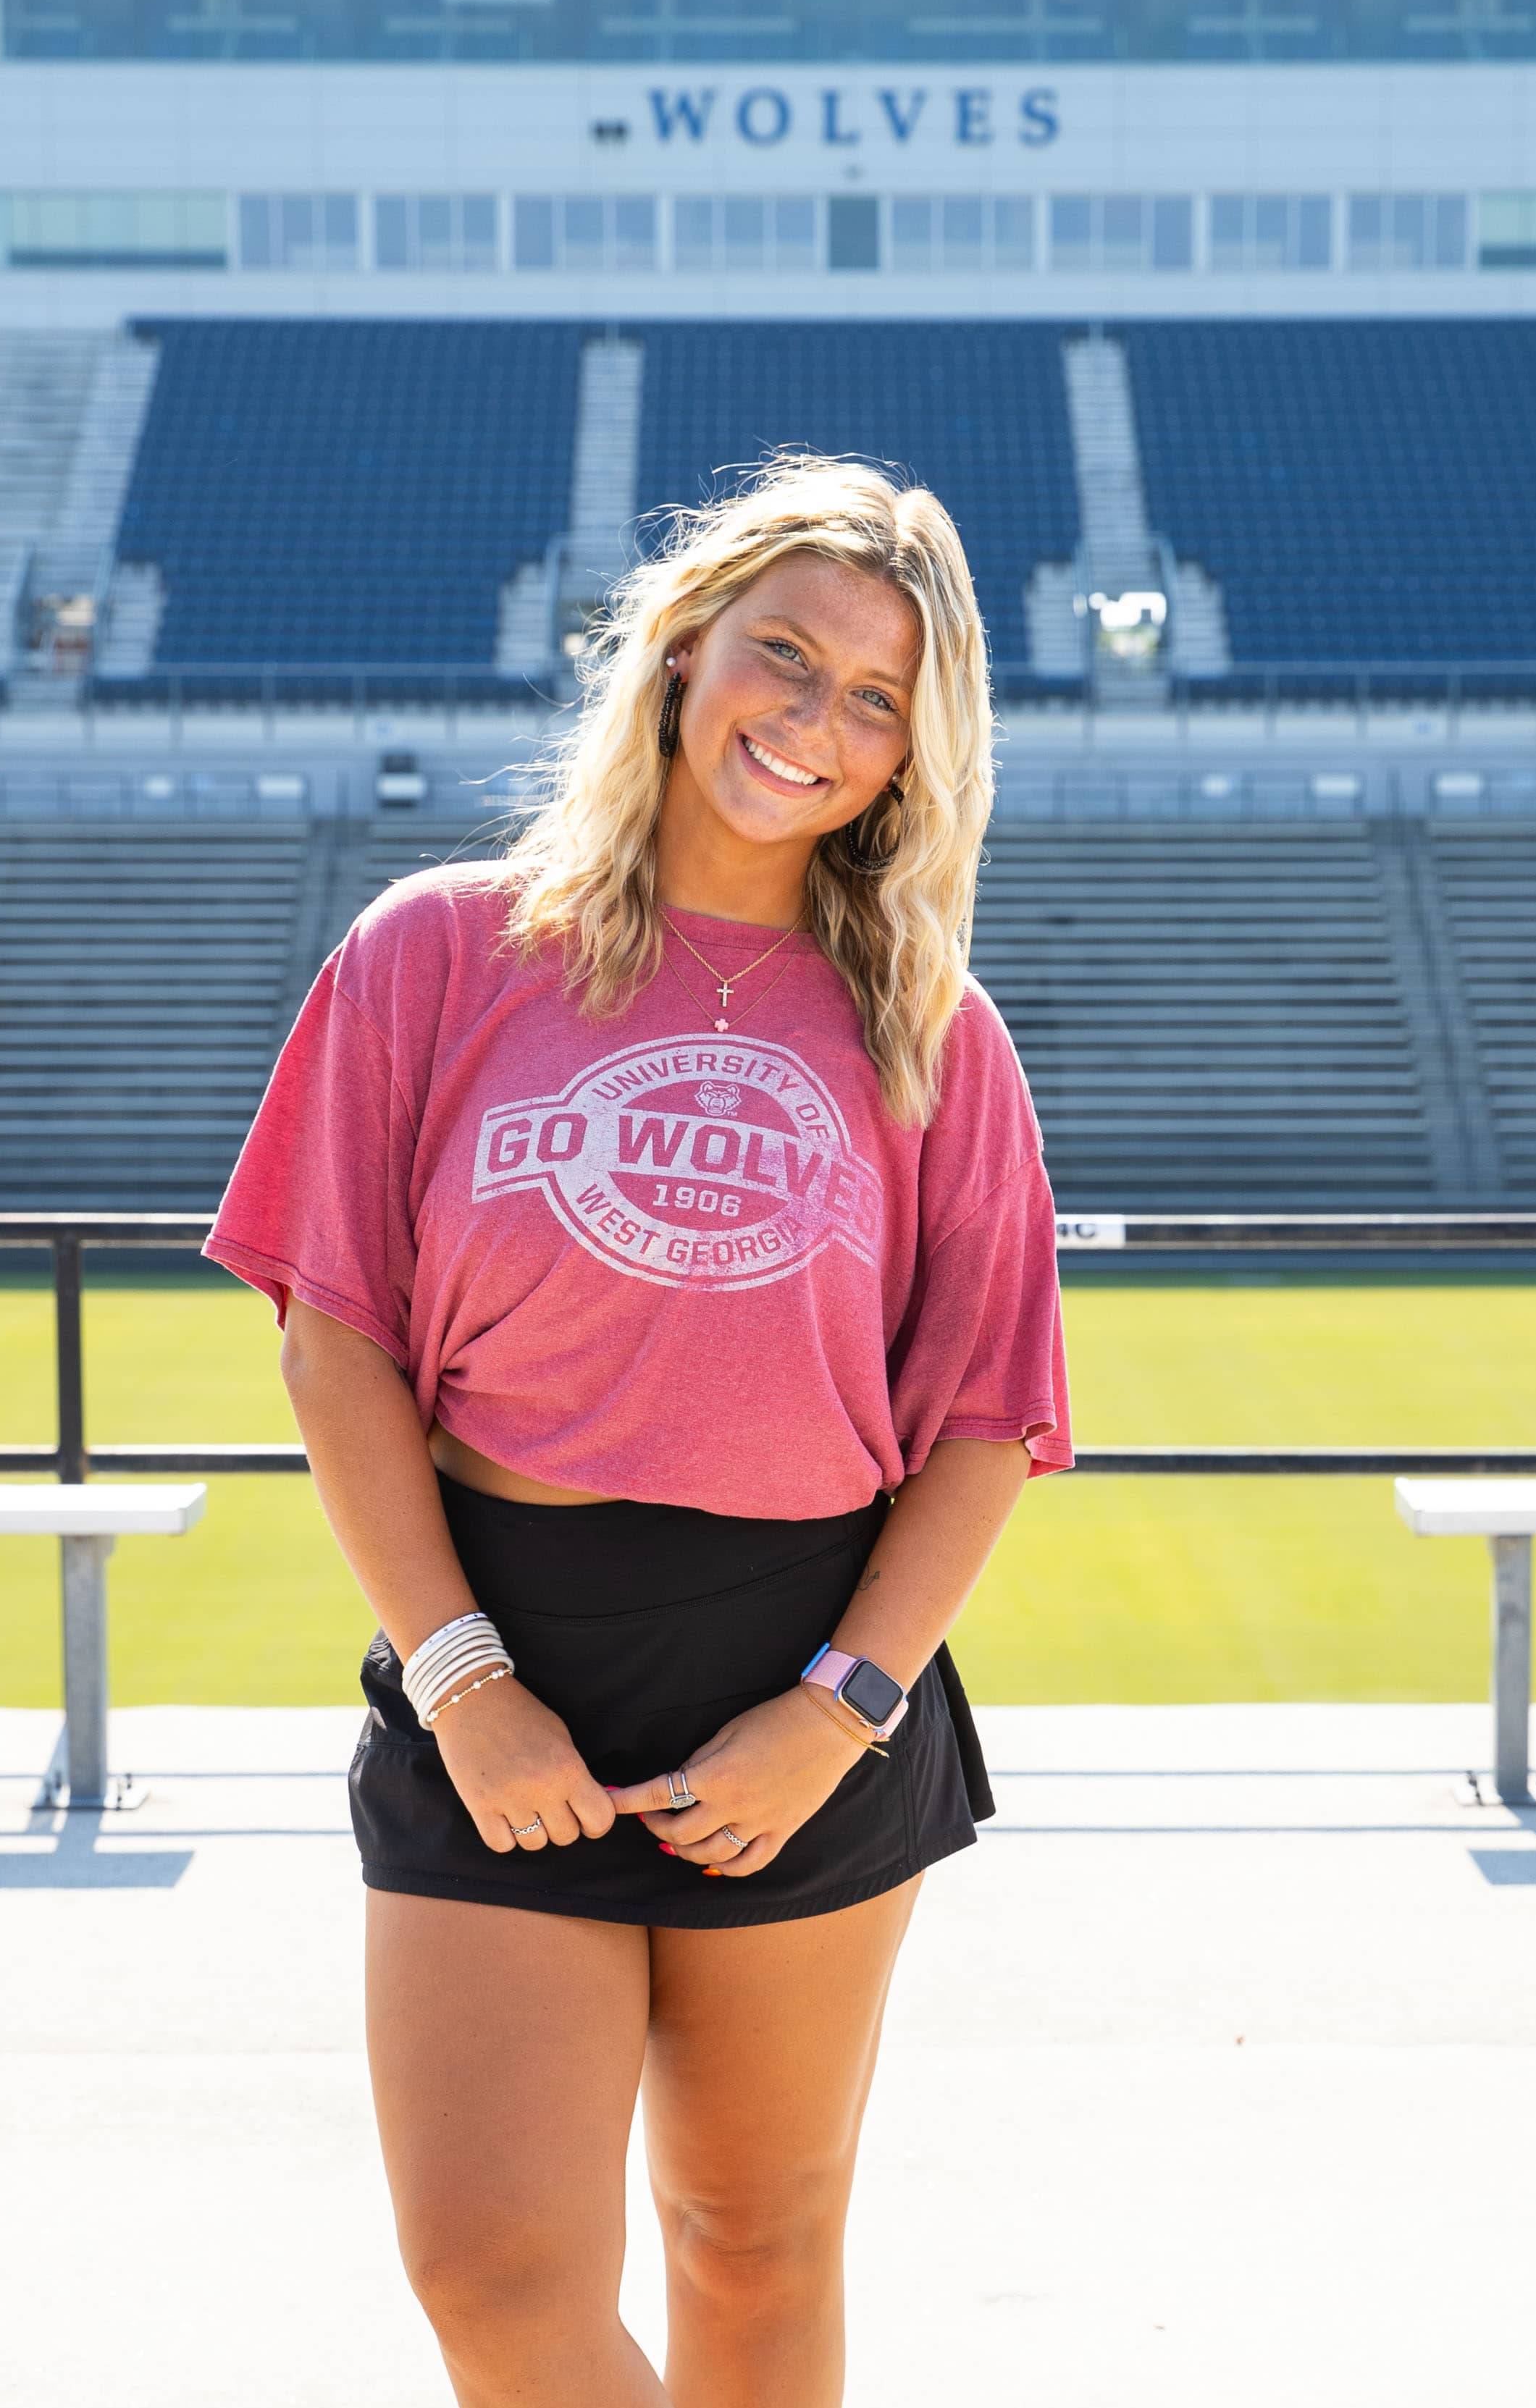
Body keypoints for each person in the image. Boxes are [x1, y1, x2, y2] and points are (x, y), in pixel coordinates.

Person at [205, 455, 1070, 2407]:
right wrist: (461, 1673)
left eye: (880, 700)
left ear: (921, 755)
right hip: (498, 1648)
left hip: (806, 1669)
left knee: (754, 2244)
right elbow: (335, 1340)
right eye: (788, 654)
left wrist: (836, 1705)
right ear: (683, 649)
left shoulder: (933, 1024)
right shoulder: (435, 949)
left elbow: (987, 1418)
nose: (818, 721)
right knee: (496, 2276)